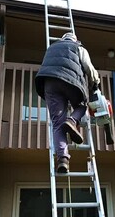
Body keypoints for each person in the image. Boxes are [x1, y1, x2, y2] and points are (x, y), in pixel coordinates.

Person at [35, 32, 100, 173]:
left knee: (57, 124)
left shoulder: (51, 48)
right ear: (75, 39)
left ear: (62, 39)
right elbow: (89, 68)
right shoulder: (78, 47)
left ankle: (62, 159)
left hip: (49, 83)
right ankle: (72, 120)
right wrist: (95, 83)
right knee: (82, 106)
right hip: (71, 82)